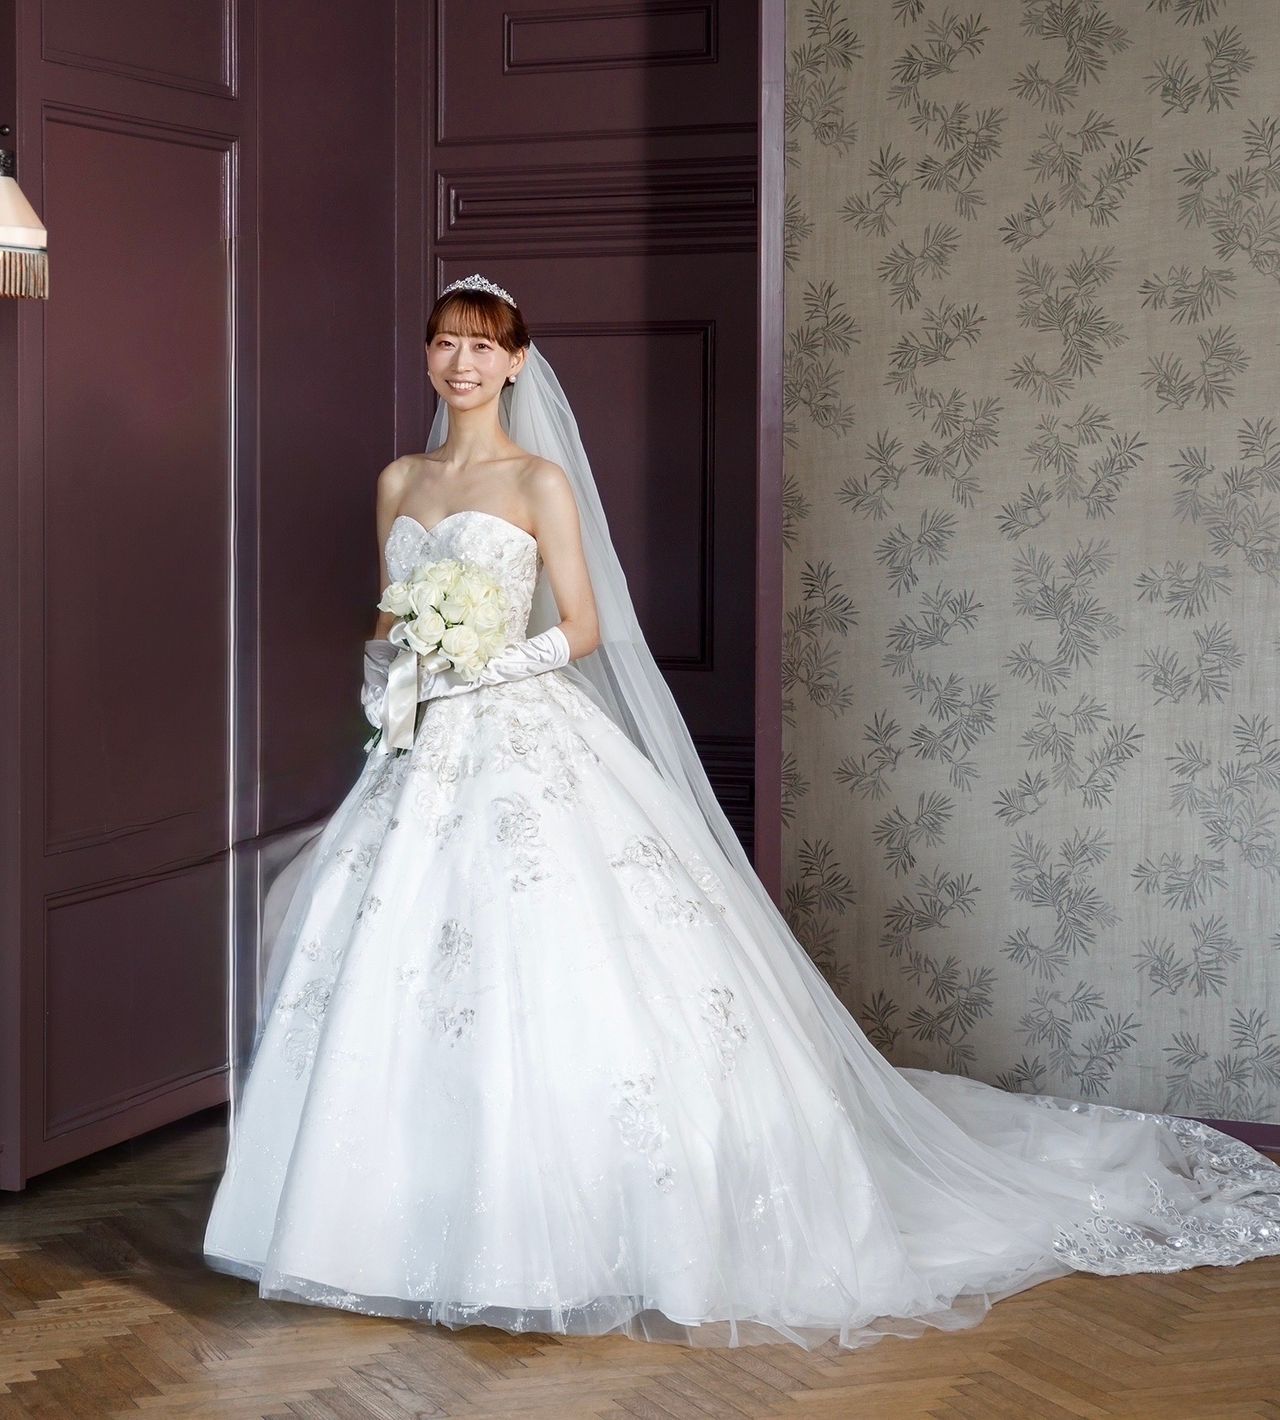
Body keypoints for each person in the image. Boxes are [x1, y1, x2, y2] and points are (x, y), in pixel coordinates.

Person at [203, 274, 1280, 1352]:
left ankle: (566, 1237)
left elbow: (581, 626)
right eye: (445, 343)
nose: (461, 363)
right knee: (399, 960)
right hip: (422, 746)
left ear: (517, 361)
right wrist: (392, 688)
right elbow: (387, 621)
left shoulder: (538, 482)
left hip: (521, 731)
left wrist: (483, 667)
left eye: (483, 346)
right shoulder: (399, 480)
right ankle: (378, 1235)